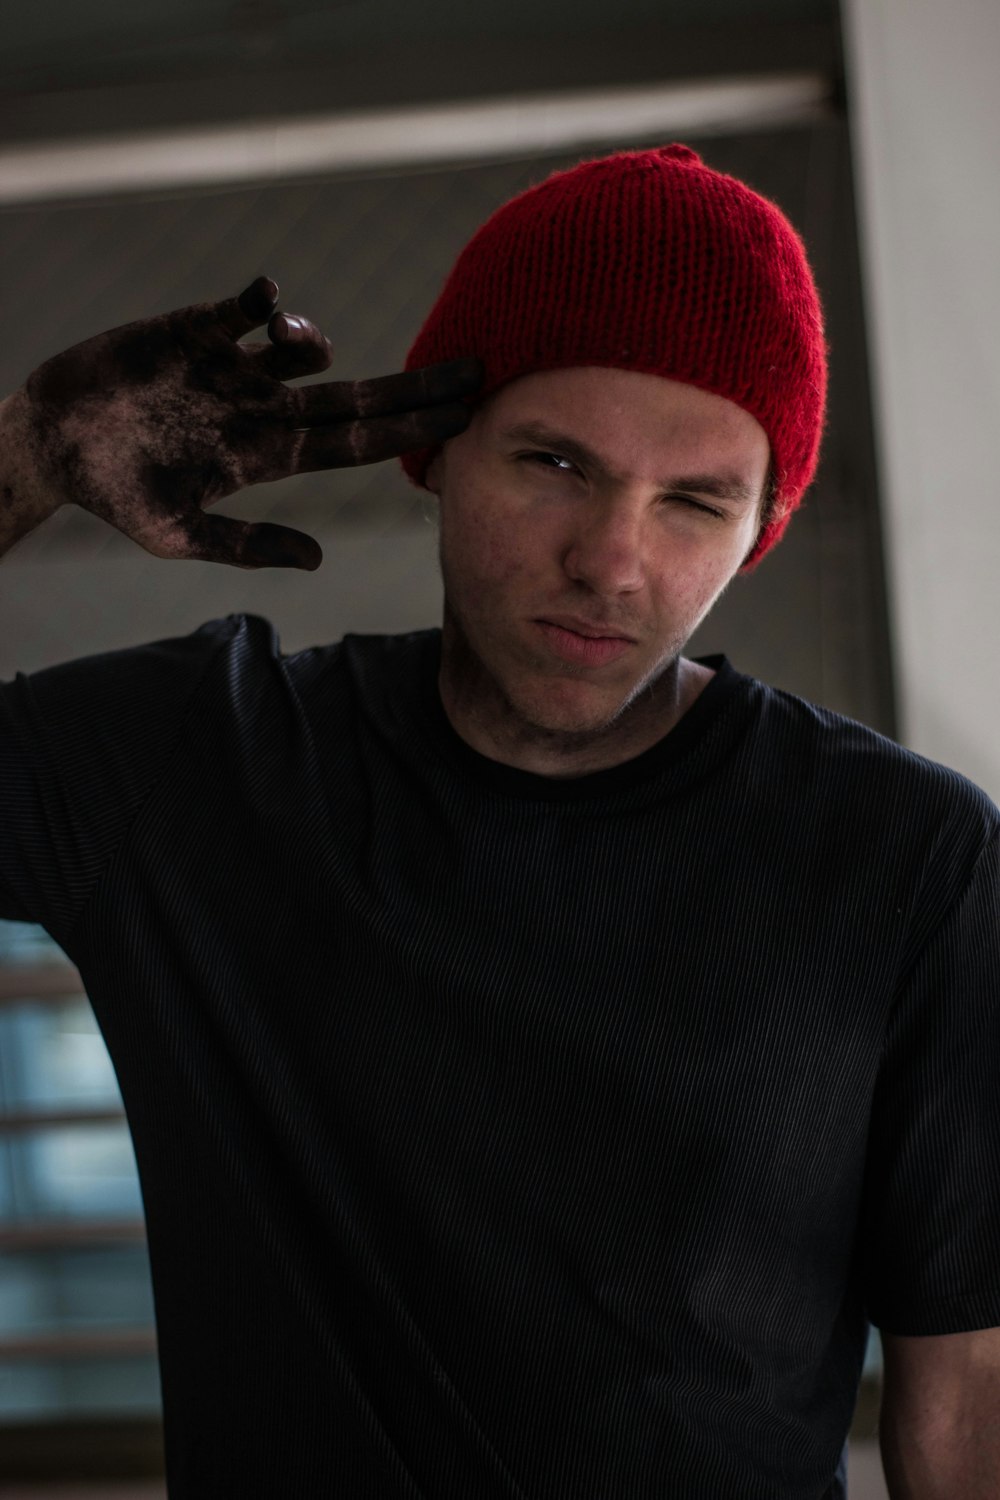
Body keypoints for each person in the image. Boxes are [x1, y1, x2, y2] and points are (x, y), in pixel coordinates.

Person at [1, 144, 998, 1500]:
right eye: (552, 462)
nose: (612, 560)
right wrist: (22, 461)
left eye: (695, 502)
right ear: (430, 453)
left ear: (761, 526)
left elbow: (972, 1390)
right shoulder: (200, 772)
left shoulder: (908, 857)